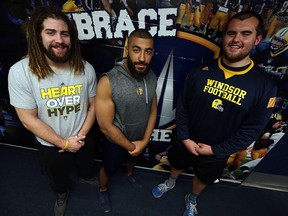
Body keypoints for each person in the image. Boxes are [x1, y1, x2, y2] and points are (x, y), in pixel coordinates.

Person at [152, 10, 277, 216]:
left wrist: (216, 150)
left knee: (203, 179)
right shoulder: (200, 70)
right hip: (185, 142)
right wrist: (184, 138)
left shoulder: (264, 86)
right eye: (231, 33)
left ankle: (192, 199)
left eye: (245, 34)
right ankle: (171, 182)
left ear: (257, 39)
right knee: (176, 164)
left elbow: (252, 130)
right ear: (224, 36)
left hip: (216, 152)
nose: (236, 39)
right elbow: (182, 107)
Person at [8, 6, 97, 216]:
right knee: (58, 176)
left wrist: (80, 137)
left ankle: (85, 176)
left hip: (83, 136)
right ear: (38, 37)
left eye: (64, 33)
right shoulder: (20, 72)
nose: (59, 39)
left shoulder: (86, 68)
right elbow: (28, 120)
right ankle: (62, 193)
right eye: (51, 32)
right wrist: (64, 144)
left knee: (86, 165)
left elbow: (93, 105)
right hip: (50, 144)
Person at [95, 28, 157, 213]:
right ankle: (103, 189)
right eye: (136, 50)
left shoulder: (151, 76)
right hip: (116, 141)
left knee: (131, 162)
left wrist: (144, 140)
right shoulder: (108, 81)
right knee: (108, 168)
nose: (142, 58)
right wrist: (131, 146)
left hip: (139, 138)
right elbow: (105, 127)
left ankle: (129, 173)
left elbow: (153, 109)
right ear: (127, 50)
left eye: (148, 52)